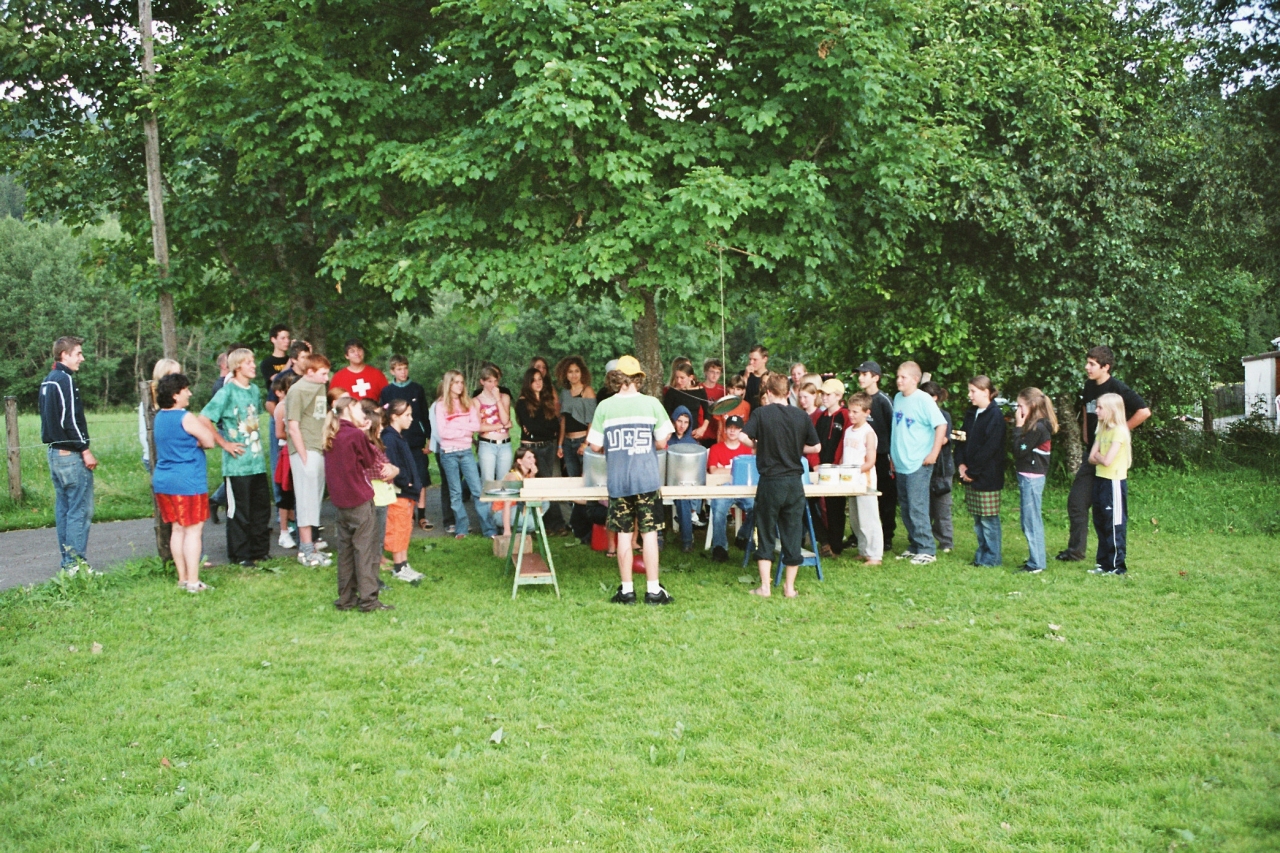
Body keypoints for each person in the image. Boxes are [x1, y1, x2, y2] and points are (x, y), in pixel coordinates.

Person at [586, 356, 675, 605]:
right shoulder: (652, 403)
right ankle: (653, 590)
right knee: (649, 533)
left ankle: (626, 591)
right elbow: (662, 442)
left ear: (616, 378)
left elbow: (594, 445)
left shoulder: (605, 407)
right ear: (638, 378)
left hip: (618, 481)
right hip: (646, 479)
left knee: (624, 534)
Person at [1056, 346, 1150, 563]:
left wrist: (1120, 431)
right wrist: (1086, 434)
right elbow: (1086, 410)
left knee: (1108, 511)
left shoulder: (1117, 388)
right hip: (1092, 454)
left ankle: (1112, 556)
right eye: (1087, 363)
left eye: (1092, 364)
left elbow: (1144, 411)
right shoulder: (1089, 386)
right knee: (1077, 502)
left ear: (1105, 367)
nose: (1087, 367)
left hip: (1110, 460)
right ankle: (1075, 551)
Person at [740, 372, 821, 598]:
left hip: (770, 482)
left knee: (766, 531)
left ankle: (765, 587)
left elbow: (743, 437)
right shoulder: (801, 416)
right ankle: (789, 588)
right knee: (793, 533)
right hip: (794, 483)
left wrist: (760, 445)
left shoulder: (761, 413)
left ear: (768, 392)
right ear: (788, 393)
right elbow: (816, 447)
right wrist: (793, 447)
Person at [199, 347, 271, 567]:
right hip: (237, 465)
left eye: (253, 361)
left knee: (260, 508)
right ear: (237, 366)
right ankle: (240, 555)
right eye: (248, 362)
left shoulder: (254, 390)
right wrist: (224, 443)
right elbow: (204, 418)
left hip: (256, 462)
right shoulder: (227, 392)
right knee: (239, 510)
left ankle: (259, 550)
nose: (253, 366)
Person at [324, 396, 395, 611]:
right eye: (359, 409)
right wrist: (363, 433)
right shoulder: (355, 434)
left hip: (340, 501)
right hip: (359, 499)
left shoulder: (331, 433)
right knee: (366, 551)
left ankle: (346, 598)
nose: (363, 414)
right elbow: (369, 460)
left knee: (345, 551)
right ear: (348, 409)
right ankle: (369, 600)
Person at [152, 373, 218, 591]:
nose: (189, 393)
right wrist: (196, 442)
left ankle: (182, 579)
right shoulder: (185, 417)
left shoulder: (159, 417)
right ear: (175, 395)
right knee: (193, 531)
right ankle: (193, 581)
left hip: (164, 480)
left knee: (177, 529)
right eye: (185, 390)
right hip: (187, 481)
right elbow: (209, 441)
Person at [40, 336, 96, 571]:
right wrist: (85, 449)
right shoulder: (65, 380)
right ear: (64, 354)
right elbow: (69, 419)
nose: (82, 358)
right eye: (78, 353)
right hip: (71, 455)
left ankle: (68, 563)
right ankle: (75, 565)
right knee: (79, 510)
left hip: (54, 453)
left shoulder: (48, 380)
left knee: (64, 509)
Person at [890, 361, 948, 565]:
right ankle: (915, 544)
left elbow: (941, 425)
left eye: (903, 377)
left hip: (919, 462)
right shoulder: (898, 398)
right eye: (898, 377)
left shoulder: (924, 399)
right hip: (901, 462)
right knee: (906, 507)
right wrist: (893, 457)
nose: (899, 381)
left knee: (917, 506)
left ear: (915, 379)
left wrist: (934, 453)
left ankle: (927, 549)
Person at [433, 370, 499, 539]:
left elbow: (475, 426)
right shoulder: (440, 405)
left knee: (477, 490)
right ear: (449, 384)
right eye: (456, 382)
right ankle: (461, 528)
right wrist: (464, 429)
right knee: (455, 493)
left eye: (462, 382)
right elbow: (443, 433)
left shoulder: (467, 403)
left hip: (466, 451)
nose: (460, 386)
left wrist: (456, 426)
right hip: (449, 453)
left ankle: (489, 530)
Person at [285, 352, 333, 567]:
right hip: (305, 449)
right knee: (305, 499)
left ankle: (312, 545)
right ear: (310, 372)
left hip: (319, 448)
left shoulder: (320, 386)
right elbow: (292, 426)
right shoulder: (297, 390)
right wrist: (303, 455)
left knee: (315, 499)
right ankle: (305, 550)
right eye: (323, 373)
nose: (326, 378)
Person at [956, 376, 1006, 568]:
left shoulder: (995, 416)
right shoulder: (971, 413)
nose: (969, 395)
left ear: (986, 392)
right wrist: (961, 463)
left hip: (988, 476)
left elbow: (990, 448)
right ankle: (981, 555)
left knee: (988, 519)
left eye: (973, 391)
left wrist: (973, 471)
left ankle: (992, 558)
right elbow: (960, 438)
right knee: (978, 519)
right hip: (970, 473)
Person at [380, 355, 434, 531]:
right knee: (401, 477)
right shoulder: (387, 391)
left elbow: (424, 416)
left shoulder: (417, 389)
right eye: (399, 369)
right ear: (392, 371)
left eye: (405, 368)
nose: (403, 372)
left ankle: (422, 515)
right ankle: (407, 514)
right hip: (396, 442)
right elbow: (383, 417)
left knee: (421, 477)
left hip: (416, 440)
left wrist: (429, 438)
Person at [513, 367, 568, 533]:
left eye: (540, 379)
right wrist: (544, 428)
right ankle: (556, 524)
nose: (538, 383)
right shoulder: (522, 402)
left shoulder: (546, 400)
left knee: (546, 482)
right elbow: (532, 427)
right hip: (532, 448)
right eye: (534, 380)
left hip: (549, 446)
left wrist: (543, 428)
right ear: (528, 383)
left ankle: (547, 523)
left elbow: (554, 425)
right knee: (543, 482)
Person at [1012, 388, 1057, 573]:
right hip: (1028, 475)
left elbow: (1019, 450)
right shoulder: (1035, 426)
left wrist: (1017, 426)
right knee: (1028, 519)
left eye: (1020, 406)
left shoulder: (1038, 427)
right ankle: (1035, 558)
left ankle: (1037, 563)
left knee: (1031, 521)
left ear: (1031, 405)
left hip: (1032, 477)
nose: (1018, 410)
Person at [381, 398, 424, 584]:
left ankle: (404, 563)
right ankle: (399, 567)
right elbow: (392, 465)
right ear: (394, 417)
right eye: (407, 415)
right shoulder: (389, 438)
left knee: (405, 527)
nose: (411, 419)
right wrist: (406, 482)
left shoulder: (398, 436)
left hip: (407, 492)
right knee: (397, 528)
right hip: (399, 493)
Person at [1088, 393, 1132, 575]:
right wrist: (1100, 457)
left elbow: (1107, 460)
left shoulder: (1119, 431)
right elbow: (1091, 457)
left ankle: (1116, 565)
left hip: (1113, 482)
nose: (1096, 411)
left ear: (1112, 410)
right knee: (1100, 520)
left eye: (1100, 407)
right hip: (1100, 479)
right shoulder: (1102, 430)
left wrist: (1099, 456)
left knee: (1113, 523)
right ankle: (1103, 562)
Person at [856, 361, 897, 552]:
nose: (860, 378)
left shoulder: (884, 400)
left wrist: (892, 456)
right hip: (862, 457)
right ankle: (861, 534)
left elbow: (894, 429)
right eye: (859, 374)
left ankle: (887, 536)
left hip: (882, 456)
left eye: (865, 374)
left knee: (886, 496)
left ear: (876, 378)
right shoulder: (860, 399)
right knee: (863, 494)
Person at [812, 378, 851, 558]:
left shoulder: (845, 415)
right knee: (809, 504)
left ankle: (835, 546)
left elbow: (845, 442)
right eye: (823, 394)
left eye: (828, 394)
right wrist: (815, 464)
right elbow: (813, 442)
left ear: (838, 396)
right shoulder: (820, 417)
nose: (824, 398)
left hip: (836, 470)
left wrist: (838, 465)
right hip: (819, 469)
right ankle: (824, 540)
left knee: (835, 507)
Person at [706, 414, 754, 562]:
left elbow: (751, 471)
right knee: (719, 507)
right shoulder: (715, 448)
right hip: (723, 487)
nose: (733, 431)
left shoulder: (748, 449)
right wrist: (737, 469)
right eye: (730, 428)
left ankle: (743, 536)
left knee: (757, 506)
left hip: (744, 488)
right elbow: (713, 470)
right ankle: (720, 547)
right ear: (725, 430)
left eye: (736, 428)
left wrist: (724, 469)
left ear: (741, 431)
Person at [842, 393, 883, 565]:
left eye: (855, 412)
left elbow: (870, 461)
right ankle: (863, 549)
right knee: (856, 519)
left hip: (864, 482)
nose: (851, 415)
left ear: (867, 412)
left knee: (869, 519)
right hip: (850, 482)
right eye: (849, 411)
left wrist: (854, 471)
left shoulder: (868, 433)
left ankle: (875, 555)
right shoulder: (848, 431)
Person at [919, 380, 955, 553]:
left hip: (942, 468)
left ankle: (946, 541)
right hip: (921, 465)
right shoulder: (919, 414)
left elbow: (944, 439)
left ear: (934, 397)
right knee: (922, 507)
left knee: (942, 507)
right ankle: (923, 538)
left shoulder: (944, 415)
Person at [260, 324, 292, 505]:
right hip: (277, 412)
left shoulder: (292, 358)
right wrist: (290, 362)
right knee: (277, 459)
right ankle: (280, 503)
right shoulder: (267, 363)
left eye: (288, 338)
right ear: (273, 339)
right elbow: (277, 380)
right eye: (282, 338)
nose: (286, 341)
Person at [270, 372, 298, 549]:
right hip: (286, 452)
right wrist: (297, 434)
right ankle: (284, 531)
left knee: (297, 493)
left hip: (298, 451)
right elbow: (279, 433)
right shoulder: (282, 406)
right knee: (285, 493)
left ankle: (299, 528)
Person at [556, 356, 597, 477]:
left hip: (582, 440)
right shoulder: (564, 393)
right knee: (572, 478)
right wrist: (560, 444)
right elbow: (563, 420)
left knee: (587, 477)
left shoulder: (587, 391)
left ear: (582, 373)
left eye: (577, 371)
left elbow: (592, 421)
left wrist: (585, 444)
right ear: (565, 374)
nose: (574, 375)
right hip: (567, 443)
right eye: (570, 372)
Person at [668, 405, 701, 553]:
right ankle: (658, 538)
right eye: (679, 421)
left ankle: (687, 541)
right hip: (667, 482)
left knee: (683, 500)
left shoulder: (693, 443)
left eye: (686, 422)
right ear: (673, 421)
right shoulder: (667, 440)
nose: (682, 425)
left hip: (685, 484)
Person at [138, 358, 181, 471]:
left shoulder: (178, 399)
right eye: (174, 375)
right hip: (158, 457)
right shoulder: (148, 403)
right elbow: (144, 434)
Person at [475, 365, 514, 484]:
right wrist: (500, 426)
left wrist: (498, 399)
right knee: (488, 482)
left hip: (505, 444)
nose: (493, 384)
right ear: (482, 382)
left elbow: (505, 420)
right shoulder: (476, 401)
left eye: (495, 381)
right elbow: (479, 427)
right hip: (487, 444)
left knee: (504, 482)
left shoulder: (504, 397)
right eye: (489, 381)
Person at [662, 362, 711, 443]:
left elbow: (708, 412)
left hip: (693, 433)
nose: (679, 381)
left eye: (682, 378)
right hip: (676, 433)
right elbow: (665, 414)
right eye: (677, 377)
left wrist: (703, 428)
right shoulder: (672, 392)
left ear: (691, 377)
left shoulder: (700, 390)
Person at [743, 345, 770, 411]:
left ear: (765, 359)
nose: (751, 362)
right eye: (750, 359)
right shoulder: (743, 374)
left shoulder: (771, 377)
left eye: (755, 360)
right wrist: (745, 376)